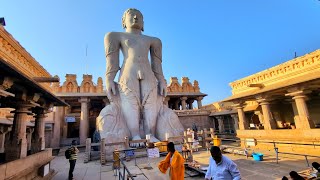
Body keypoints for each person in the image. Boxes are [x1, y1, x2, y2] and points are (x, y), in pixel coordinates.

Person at [104, 8, 166, 144]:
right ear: (123, 21)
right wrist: (109, 79)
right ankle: (135, 135)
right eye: (131, 15)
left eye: (139, 16)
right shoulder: (114, 36)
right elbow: (112, 61)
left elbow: (157, 64)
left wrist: (161, 80)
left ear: (143, 22)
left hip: (148, 72)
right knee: (129, 101)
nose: (135, 18)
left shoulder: (154, 40)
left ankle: (151, 133)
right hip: (128, 72)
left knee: (151, 102)